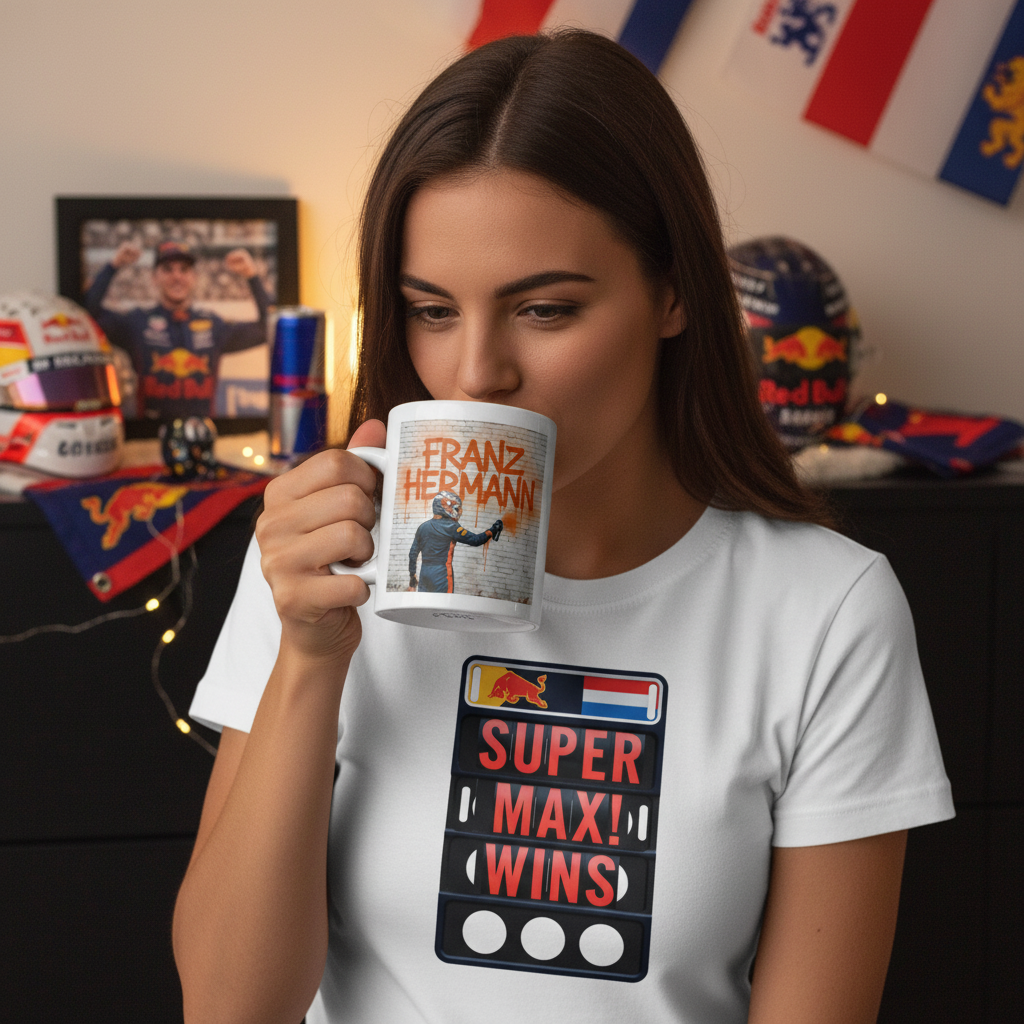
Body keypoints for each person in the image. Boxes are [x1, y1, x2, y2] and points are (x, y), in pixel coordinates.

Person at [173, 30, 953, 1024]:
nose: (475, 373)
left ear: (672, 291)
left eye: (543, 310)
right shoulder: (324, 548)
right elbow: (227, 1007)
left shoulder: (822, 610)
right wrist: (310, 655)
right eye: (430, 310)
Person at [84, 240, 270, 420]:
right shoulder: (137, 322)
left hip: (203, 435)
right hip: (150, 438)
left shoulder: (213, 325)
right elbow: (87, 315)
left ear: (194, 277)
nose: (177, 277)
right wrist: (113, 266)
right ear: (154, 277)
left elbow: (269, 328)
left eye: (184, 270)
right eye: (167, 269)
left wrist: (251, 276)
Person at [409, 490, 504, 592]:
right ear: (443, 506)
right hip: (442, 575)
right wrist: (493, 530)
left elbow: (412, 554)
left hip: (425, 574)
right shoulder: (452, 527)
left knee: (425, 605)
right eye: (453, 507)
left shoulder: (422, 527)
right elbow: (475, 540)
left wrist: (412, 577)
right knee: (444, 605)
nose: (455, 511)